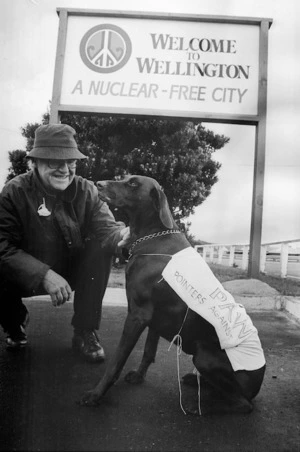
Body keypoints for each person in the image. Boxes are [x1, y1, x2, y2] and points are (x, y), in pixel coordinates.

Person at [0, 123, 130, 362]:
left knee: (101, 248)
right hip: (25, 276)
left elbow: (107, 229)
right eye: (55, 161)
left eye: (71, 162)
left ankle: (84, 330)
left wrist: (123, 237)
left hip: (72, 269)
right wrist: (43, 274)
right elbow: (2, 247)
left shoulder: (86, 190)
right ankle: (14, 322)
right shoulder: (13, 192)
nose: (65, 169)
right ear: (35, 162)